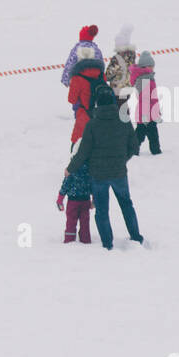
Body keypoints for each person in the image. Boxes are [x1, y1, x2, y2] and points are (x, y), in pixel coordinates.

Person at [65, 84, 142, 251]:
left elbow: (83, 152)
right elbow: (134, 146)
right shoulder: (124, 120)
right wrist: (122, 159)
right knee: (126, 205)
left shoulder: (92, 125)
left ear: (97, 103)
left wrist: (70, 169)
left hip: (98, 175)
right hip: (119, 172)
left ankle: (107, 243)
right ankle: (136, 237)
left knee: (102, 210)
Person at [67, 43, 106, 146]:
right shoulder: (101, 74)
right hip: (101, 113)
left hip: (84, 113)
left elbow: (72, 99)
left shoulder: (77, 78)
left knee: (79, 141)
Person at [129, 50, 161, 154]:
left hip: (147, 112)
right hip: (146, 114)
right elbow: (146, 99)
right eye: (151, 66)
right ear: (145, 67)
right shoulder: (146, 79)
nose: (153, 68)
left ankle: (132, 149)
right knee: (151, 134)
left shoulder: (145, 78)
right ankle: (155, 151)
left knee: (141, 133)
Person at [57, 162, 92, 243]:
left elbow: (65, 186)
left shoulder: (71, 169)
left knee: (71, 221)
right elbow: (93, 185)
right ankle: (85, 239)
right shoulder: (89, 169)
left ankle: (69, 239)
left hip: (73, 201)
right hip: (85, 200)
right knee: (85, 222)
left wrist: (60, 199)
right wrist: (94, 199)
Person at [104, 24, 135, 95]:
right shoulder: (131, 57)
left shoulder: (116, 59)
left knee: (120, 106)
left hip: (117, 91)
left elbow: (108, 75)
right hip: (129, 90)